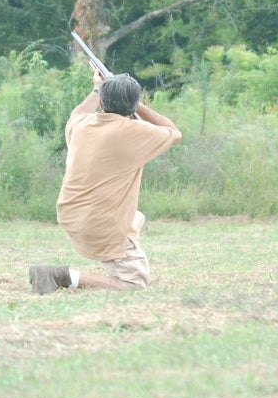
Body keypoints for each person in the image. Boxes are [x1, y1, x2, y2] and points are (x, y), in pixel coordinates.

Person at [30, 68, 181, 293]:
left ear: (101, 103)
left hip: (71, 215)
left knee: (136, 218)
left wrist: (96, 88)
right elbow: (173, 132)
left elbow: (77, 113)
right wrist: (137, 104)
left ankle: (121, 248)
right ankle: (61, 276)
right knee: (133, 284)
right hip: (100, 224)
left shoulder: (81, 125)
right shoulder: (134, 130)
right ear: (132, 105)